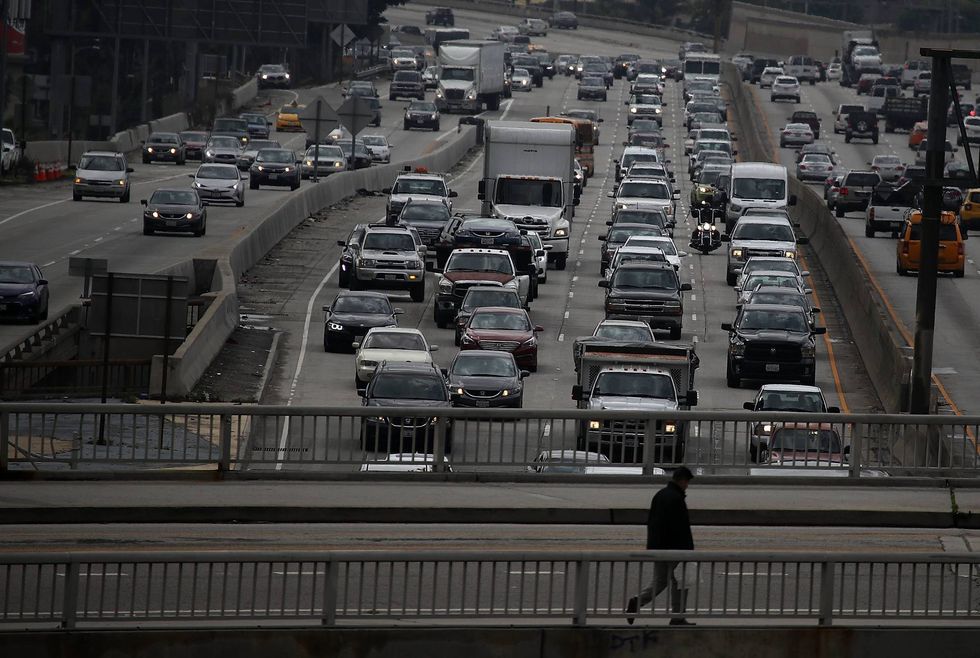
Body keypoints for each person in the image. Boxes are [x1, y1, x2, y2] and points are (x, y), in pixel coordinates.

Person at [625, 467, 695, 626]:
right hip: (675, 549)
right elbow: (681, 528)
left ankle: (637, 601)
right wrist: (688, 551)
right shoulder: (676, 499)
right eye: (687, 482)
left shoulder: (661, 495)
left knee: (660, 581)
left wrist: (654, 547)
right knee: (680, 582)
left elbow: (653, 522)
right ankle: (678, 617)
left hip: (658, 547)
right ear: (682, 480)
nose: (688, 485)